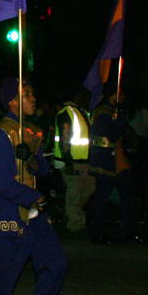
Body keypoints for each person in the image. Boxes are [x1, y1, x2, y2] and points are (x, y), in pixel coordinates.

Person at [0, 78, 68, 295]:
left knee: (56, 263)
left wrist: (30, 158)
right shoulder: (0, 134)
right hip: (7, 215)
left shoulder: (31, 131)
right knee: (1, 287)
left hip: (34, 216)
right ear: (12, 101)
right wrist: (36, 196)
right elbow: (1, 182)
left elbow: (43, 169)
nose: (33, 98)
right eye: (26, 94)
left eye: (32, 93)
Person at [89, 82, 140, 243]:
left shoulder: (110, 111)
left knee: (128, 193)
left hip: (117, 159)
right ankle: (98, 233)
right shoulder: (104, 112)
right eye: (120, 93)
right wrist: (121, 121)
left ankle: (127, 230)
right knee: (102, 198)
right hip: (106, 161)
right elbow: (111, 135)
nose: (123, 97)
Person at [53, 89, 94, 232]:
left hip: (82, 160)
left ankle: (71, 212)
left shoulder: (81, 112)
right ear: (76, 96)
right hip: (71, 160)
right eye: (84, 95)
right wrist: (68, 162)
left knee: (85, 189)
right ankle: (75, 224)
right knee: (75, 192)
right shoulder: (67, 112)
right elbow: (65, 137)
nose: (87, 99)